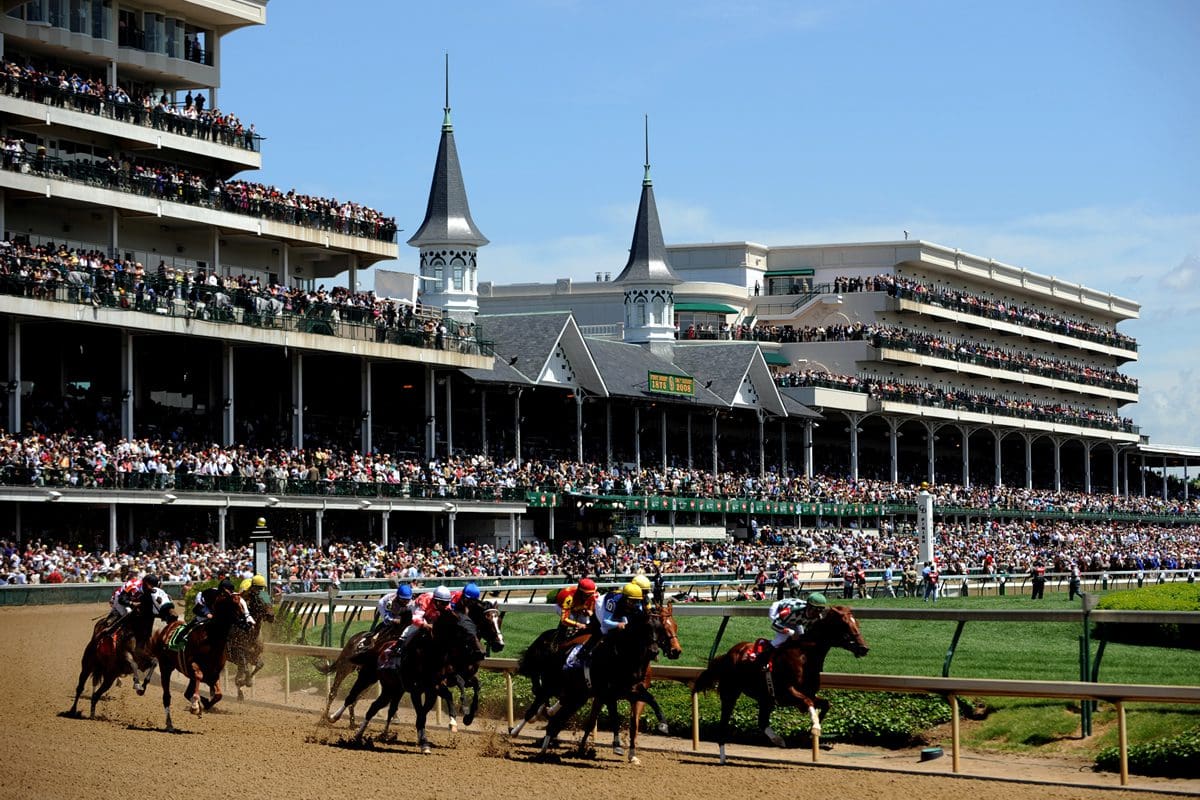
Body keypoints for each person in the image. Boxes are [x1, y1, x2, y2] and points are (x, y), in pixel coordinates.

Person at [567, 582, 643, 687]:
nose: (635, 603)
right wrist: (617, 624)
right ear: (625, 598)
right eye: (632, 601)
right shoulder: (613, 601)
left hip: (620, 609)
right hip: (602, 606)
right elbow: (606, 622)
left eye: (637, 601)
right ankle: (581, 655)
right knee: (605, 631)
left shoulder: (638, 603)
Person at [757, 591, 828, 671]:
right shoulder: (791, 610)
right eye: (815, 609)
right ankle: (763, 658)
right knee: (782, 639)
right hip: (778, 611)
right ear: (808, 606)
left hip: (795, 619)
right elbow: (774, 625)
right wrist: (791, 632)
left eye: (821, 610)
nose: (817, 613)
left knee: (801, 637)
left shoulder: (817, 617)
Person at [397, 585, 453, 649]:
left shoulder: (447, 605)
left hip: (431, 611)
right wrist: (425, 625)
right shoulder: (425, 600)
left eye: (446, 603)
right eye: (443, 603)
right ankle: (401, 642)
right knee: (416, 626)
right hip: (418, 609)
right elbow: (415, 618)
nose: (445, 605)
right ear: (436, 601)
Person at [555, 577, 597, 642]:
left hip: (578, 607)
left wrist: (589, 612)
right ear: (580, 592)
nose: (590, 596)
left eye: (591, 594)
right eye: (587, 595)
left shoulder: (593, 595)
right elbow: (564, 619)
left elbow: (590, 611)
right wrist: (578, 624)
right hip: (562, 607)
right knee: (571, 618)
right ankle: (559, 637)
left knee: (586, 622)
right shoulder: (568, 597)